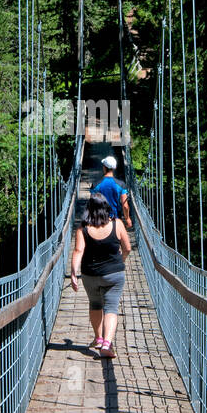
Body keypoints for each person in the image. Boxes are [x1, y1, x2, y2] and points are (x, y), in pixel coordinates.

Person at [71, 191, 131, 359]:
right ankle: (107, 343)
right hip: (114, 274)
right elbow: (127, 248)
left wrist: (74, 273)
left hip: (90, 275)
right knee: (111, 307)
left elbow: (78, 251)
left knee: (95, 304)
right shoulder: (117, 224)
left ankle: (98, 338)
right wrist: (122, 260)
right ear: (106, 208)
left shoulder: (82, 228)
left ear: (88, 209)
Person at [94, 154, 132, 229]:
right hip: (116, 220)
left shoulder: (96, 184)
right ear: (114, 168)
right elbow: (125, 206)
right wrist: (127, 219)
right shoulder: (121, 185)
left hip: (100, 221)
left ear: (104, 167)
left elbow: (93, 204)